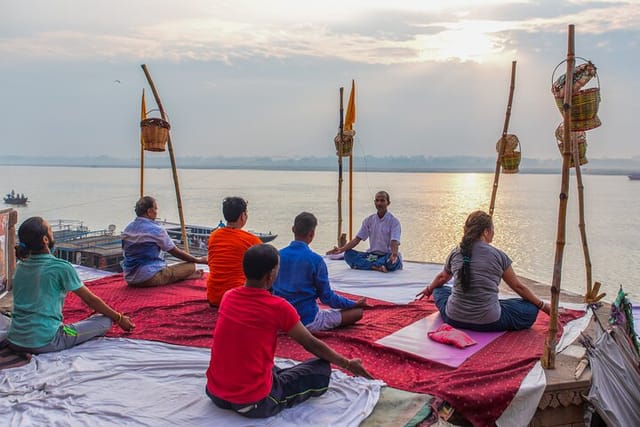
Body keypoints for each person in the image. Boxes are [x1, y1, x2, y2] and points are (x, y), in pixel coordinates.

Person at [205, 244, 372, 419]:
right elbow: (311, 343)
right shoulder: (278, 307)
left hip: (215, 392)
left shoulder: (228, 296)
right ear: (270, 276)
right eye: (277, 268)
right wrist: (346, 363)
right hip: (254, 402)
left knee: (269, 366)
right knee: (321, 368)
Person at [5, 217, 135, 354]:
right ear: (45, 239)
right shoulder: (61, 267)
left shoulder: (20, 267)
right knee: (105, 320)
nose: (52, 233)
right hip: (47, 341)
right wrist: (119, 318)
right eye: (50, 230)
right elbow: (91, 300)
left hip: (15, 339)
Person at [416, 210, 550, 331]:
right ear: (486, 231)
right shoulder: (499, 255)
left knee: (439, 290)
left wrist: (429, 289)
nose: (494, 233)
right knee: (531, 308)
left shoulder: (456, 252)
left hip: (454, 318)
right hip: (489, 321)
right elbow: (518, 287)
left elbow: (442, 278)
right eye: (492, 229)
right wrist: (543, 306)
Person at [274, 212, 368, 332]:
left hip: (281, 319)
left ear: (293, 229)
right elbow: (327, 297)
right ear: (312, 234)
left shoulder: (277, 255)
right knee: (357, 313)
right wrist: (353, 304)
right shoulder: (316, 260)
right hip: (307, 320)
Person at [122, 196, 207, 287]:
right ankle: (182, 276)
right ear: (149, 211)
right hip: (148, 277)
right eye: (155, 209)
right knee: (191, 266)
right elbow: (175, 252)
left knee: (171, 268)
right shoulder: (156, 230)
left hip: (129, 278)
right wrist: (198, 260)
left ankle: (181, 276)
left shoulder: (127, 229)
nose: (156, 212)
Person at [327, 190, 402, 272]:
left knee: (392, 261)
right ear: (374, 202)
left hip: (387, 255)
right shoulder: (369, 220)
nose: (379, 203)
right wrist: (341, 249)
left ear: (388, 203)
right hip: (372, 256)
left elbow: (394, 241)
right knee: (348, 254)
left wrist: (394, 254)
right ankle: (376, 267)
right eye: (377, 200)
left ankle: (374, 265)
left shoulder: (394, 222)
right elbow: (357, 240)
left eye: (382, 201)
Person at [206, 197, 261, 306]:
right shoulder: (252, 240)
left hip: (214, 296)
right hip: (237, 298)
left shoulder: (213, 236)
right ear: (242, 216)